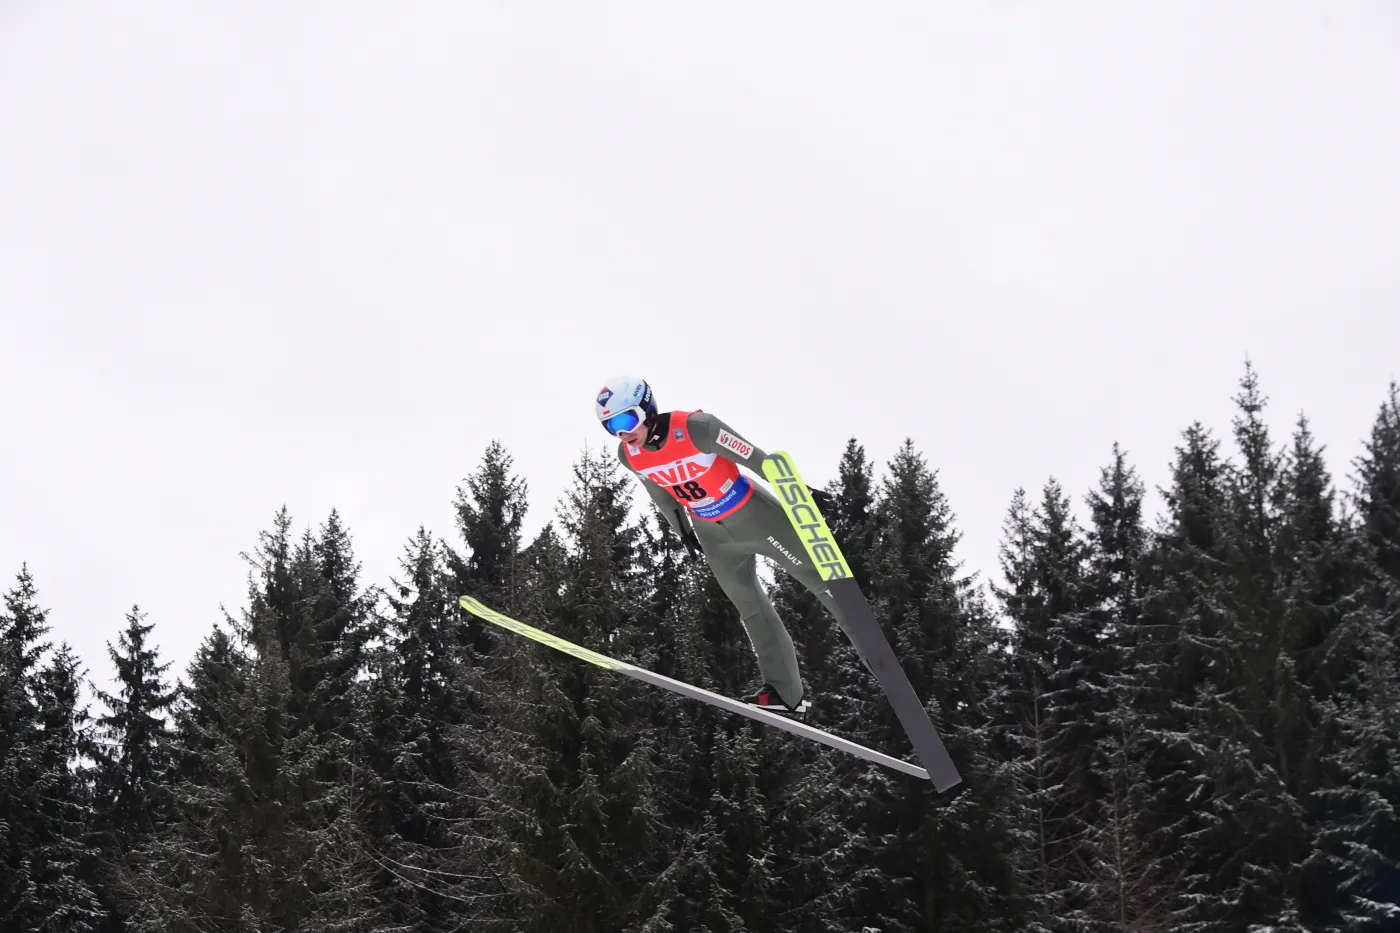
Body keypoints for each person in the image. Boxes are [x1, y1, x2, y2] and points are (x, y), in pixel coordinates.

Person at [596, 375, 861, 716]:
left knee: (822, 583)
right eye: (610, 427)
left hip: (755, 515)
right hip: (713, 534)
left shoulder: (696, 427)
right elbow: (661, 495)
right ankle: (785, 692)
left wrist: (801, 492)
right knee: (749, 605)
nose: (622, 432)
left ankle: (877, 658)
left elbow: (757, 459)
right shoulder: (629, 455)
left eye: (625, 420)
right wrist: (681, 531)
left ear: (647, 408)